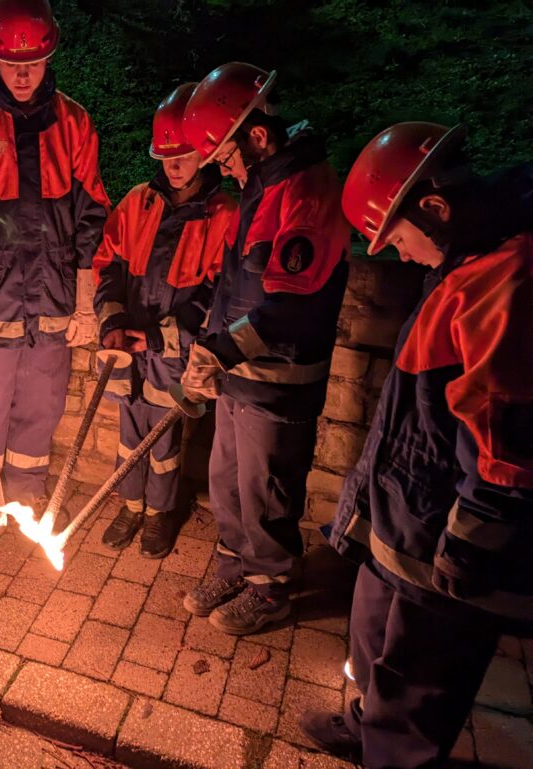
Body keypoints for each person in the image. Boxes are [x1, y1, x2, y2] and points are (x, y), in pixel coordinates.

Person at [299, 122, 533, 768]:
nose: (398, 256)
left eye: (396, 238)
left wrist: (471, 545)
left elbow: (505, 437)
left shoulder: (506, 280)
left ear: (432, 206)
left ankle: (392, 753)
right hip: (407, 519)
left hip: (447, 546)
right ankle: (366, 723)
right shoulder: (461, 261)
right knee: (375, 642)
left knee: (420, 678)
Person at [179, 62, 350, 634]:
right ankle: (235, 561)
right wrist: (211, 344)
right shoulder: (261, 187)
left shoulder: (308, 192)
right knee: (226, 478)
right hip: (239, 372)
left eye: (226, 155)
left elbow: (291, 308)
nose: (223, 169)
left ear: (257, 135)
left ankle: (271, 585)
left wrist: (222, 352)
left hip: (280, 378)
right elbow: (234, 283)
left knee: (267, 488)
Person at [0, 0, 109, 547]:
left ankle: (25, 493)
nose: (24, 73)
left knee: (43, 402)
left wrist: (86, 304)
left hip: (53, 294)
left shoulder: (76, 123)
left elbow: (92, 216)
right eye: (11, 63)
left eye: (33, 62)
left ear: (51, 55)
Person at [93, 83, 235, 559]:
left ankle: (158, 515)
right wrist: (111, 320)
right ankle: (129, 506)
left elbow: (219, 295)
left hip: (173, 355)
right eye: (165, 157)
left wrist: (156, 336)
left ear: (206, 154)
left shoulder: (224, 215)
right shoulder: (139, 202)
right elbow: (107, 263)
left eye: (185, 155)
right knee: (128, 432)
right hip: (128, 351)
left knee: (165, 438)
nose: (173, 166)